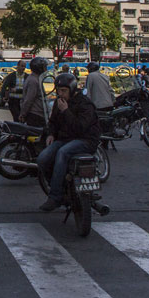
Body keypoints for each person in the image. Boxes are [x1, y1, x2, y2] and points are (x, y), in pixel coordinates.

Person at [37, 73, 101, 212]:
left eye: (64, 91)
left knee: (63, 153)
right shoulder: (58, 103)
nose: (60, 94)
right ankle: (57, 185)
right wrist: (51, 134)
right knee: (43, 158)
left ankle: (55, 197)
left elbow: (80, 128)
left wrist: (66, 111)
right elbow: (52, 122)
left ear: (71, 90)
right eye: (58, 90)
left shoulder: (84, 104)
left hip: (85, 140)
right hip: (64, 139)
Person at [19, 57, 49, 128]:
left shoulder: (37, 79)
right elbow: (29, 99)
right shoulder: (33, 81)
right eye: (44, 67)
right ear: (39, 68)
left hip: (39, 114)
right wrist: (23, 114)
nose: (46, 69)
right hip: (35, 115)